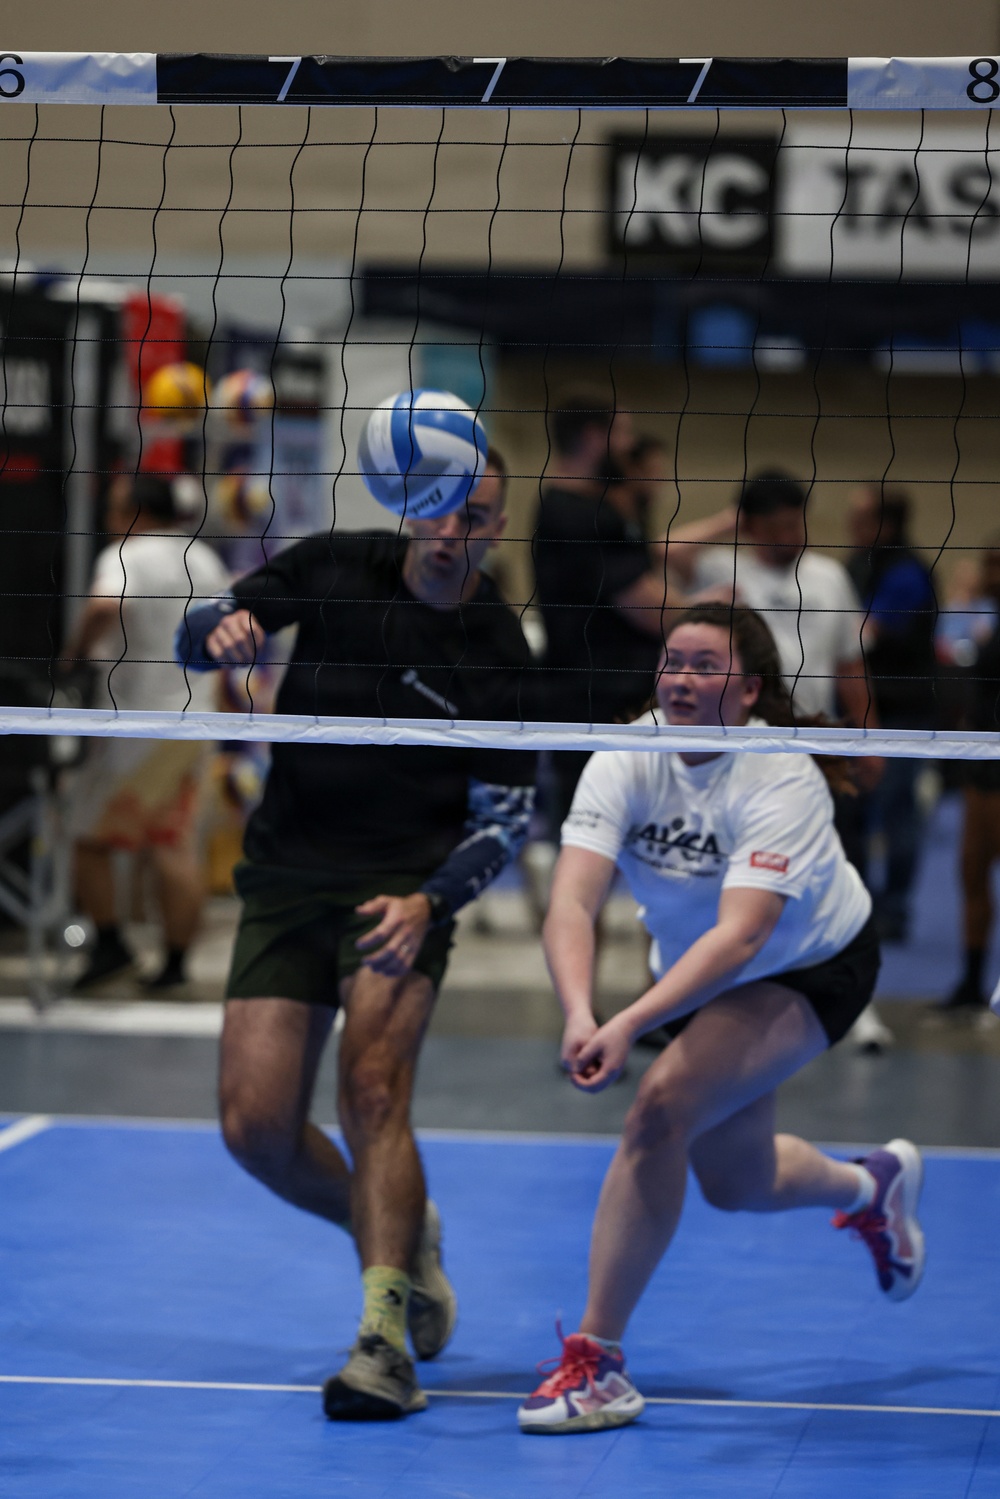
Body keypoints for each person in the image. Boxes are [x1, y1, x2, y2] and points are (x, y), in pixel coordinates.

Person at [177, 448, 536, 1420]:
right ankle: (404, 1231)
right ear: (412, 506)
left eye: (478, 514)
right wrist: (224, 628)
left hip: (401, 888)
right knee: (255, 1129)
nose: (454, 529)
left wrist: (433, 900)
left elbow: (507, 818)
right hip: (288, 871)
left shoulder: (499, 650)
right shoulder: (337, 563)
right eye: (441, 509)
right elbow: (194, 632)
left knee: (373, 1091)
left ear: (497, 525)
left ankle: (382, 1340)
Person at [517, 603, 923, 1435]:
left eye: (704, 666)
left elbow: (742, 936)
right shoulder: (630, 752)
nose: (681, 679)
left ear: (748, 690)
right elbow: (574, 895)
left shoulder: (778, 773)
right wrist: (577, 1008)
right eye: (673, 661)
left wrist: (626, 1024)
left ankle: (597, 1362)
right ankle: (868, 1186)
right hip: (695, 976)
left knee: (659, 1109)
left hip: (811, 963)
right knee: (736, 1183)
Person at [670, 469, 890, 1050]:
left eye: (796, 520)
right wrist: (728, 523)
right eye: (774, 523)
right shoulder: (722, 568)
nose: (789, 532)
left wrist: (868, 733)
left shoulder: (829, 576)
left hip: (818, 745)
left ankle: (852, 999)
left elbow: (850, 666)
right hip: (742, 748)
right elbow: (667, 552)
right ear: (751, 524)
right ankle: (727, 988)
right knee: (738, 873)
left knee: (837, 866)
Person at [65, 472, 228, 991]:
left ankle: (110, 945)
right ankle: (175, 967)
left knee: (85, 840)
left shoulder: (125, 555)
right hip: (195, 721)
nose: (109, 519)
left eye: (115, 507)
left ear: (136, 511)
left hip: (137, 723)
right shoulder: (203, 558)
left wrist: (70, 658)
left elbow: (104, 606)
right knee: (174, 844)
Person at [532, 390, 671, 835]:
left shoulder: (597, 508)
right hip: (594, 699)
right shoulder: (575, 515)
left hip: (611, 693)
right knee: (590, 829)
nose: (630, 444)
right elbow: (643, 606)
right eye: (623, 431)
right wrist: (716, 622)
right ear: (594, 438)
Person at [846, 485, 937, 942]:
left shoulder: (907, 572)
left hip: (904, 713)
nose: (850, 524)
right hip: (859, 710)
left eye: (860, 516)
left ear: (888, 523)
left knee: (896, 810)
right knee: (856, 811)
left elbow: (864, 635)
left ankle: (895, 912)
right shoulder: (853, 565)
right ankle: (859, 906)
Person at [937, 539, 1000, 1011]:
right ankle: (972, 983)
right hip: (980, 767)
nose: (989, 572)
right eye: (988, 564)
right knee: (971, 875)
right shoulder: (985, 620)